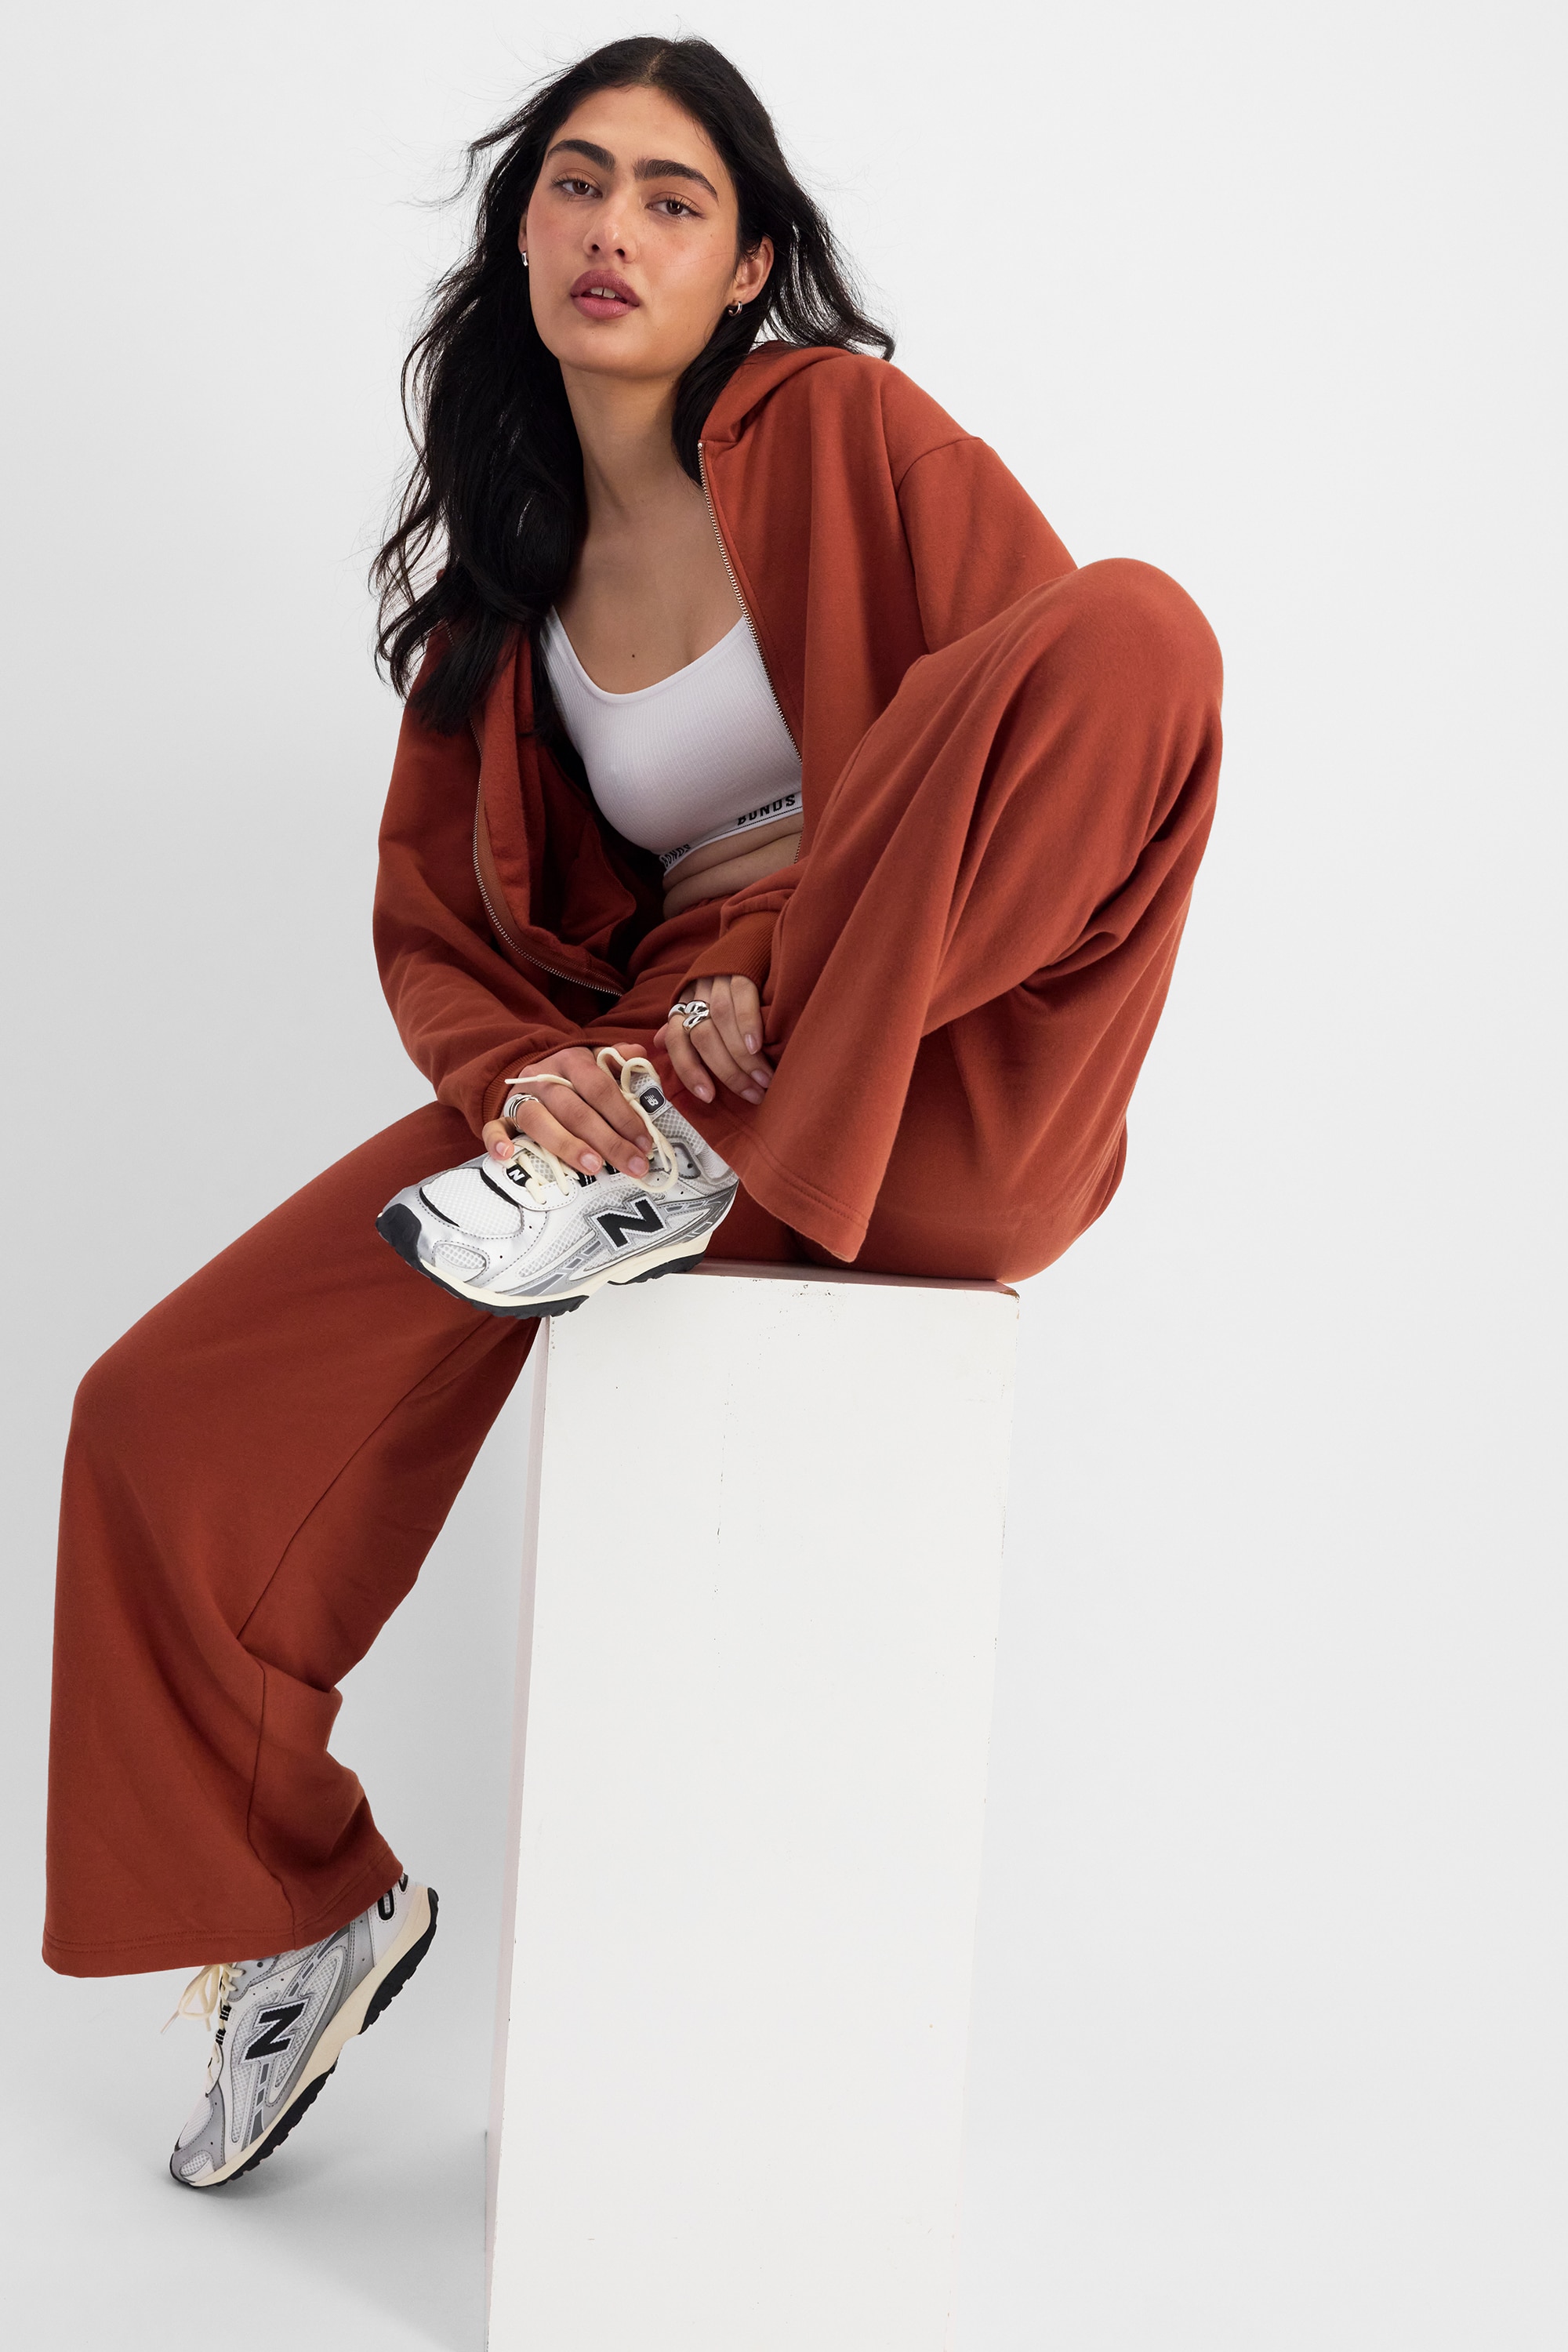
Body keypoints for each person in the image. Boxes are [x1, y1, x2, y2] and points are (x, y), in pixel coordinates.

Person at [44, 34, 1223, 2189]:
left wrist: (809, 958)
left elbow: (1052, 715)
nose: (615, 229)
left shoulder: (842, 430)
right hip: (660, 1104)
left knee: (1143, 628)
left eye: (676, 199)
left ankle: (687, 1151)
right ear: (523, 230)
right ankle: (294, 1906)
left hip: (942, 1077)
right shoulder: (498, 604)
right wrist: (541, 1075)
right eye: (578, 183)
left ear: (748, 262)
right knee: (159, 1414)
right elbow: (437, 933)